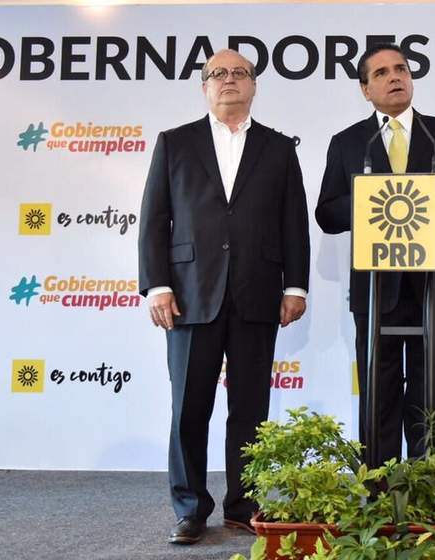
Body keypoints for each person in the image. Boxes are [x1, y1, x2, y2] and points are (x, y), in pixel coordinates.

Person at [138, 49, 310, 545]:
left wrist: (295, 285)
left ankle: (243, 504)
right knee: (189, 408)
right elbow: (154, 219)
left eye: (239, 73)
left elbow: (293, 221)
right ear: (205, 87)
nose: (229, 80)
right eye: (218, 73)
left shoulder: (279, 148)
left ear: (253, 85)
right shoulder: (175, 142)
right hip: (190, 294)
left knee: (251, 408)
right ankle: (190, 508)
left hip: (259, 291)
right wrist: (158, 285)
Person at [315, 44, 435, 465]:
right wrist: (376, 198)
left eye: (401, 70)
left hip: (434, 287)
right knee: (379, 392)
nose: (395, 78)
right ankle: (379, 484)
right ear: (365, 89)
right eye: (382, 73)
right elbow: (327, 213)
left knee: (432, 394)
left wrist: (423, 197)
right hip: (376, 289)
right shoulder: (348, 142)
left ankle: (426, 481)